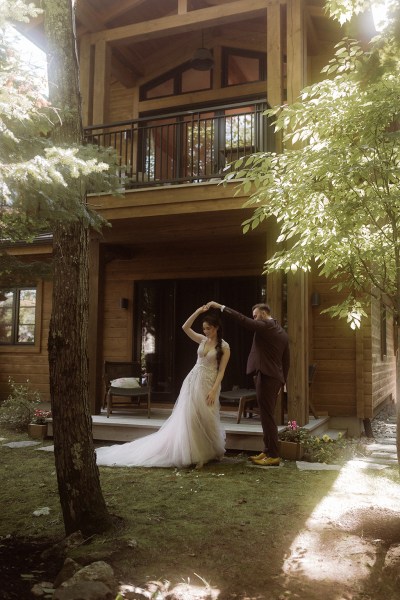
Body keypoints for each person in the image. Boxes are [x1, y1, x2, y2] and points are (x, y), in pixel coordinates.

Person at [96, 306, 230, 469]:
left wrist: (214, 390)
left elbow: (221, 371)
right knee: (190, 416)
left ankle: (209, 451)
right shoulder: (202, 340)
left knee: (207, 417)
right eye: (204, 328)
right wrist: (198, 312)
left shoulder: (224, 347)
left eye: (209, 328)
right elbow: (185, 327)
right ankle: (196, 453)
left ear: (216, 328)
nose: (206, 331)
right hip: (193, 380)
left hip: (209, 383)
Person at [207, 301, 289, 466]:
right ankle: (267, 451)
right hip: (273, 378)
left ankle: (273, 455)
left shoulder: (266, 326)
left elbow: (243, 320)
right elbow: (287, 361)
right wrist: (282, 382)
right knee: (267, 416)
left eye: (256, 316)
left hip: (266, 377)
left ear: (263, 314)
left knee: (267, 417)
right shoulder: (281, 331)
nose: (254, 319)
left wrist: (222, 307)